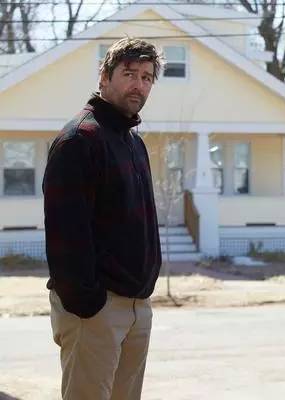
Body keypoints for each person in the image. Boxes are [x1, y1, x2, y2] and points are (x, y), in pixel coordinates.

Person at [43, 37, 163, 400]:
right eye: (129, 74)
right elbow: (66, 233)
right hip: (95, 311)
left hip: (137, 307)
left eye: (146, 77)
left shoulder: (133, 143)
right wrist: (88, 304)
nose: (138, 84)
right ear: (104, 77)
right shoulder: (80, 139)